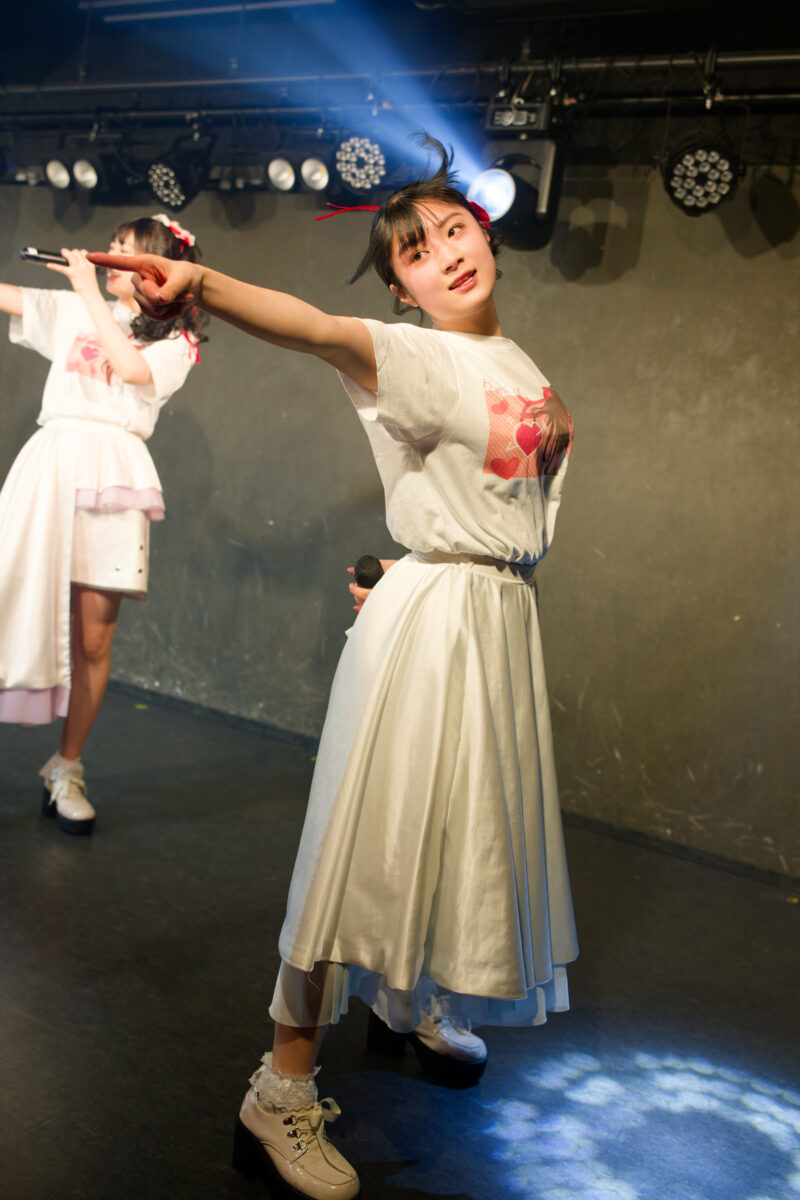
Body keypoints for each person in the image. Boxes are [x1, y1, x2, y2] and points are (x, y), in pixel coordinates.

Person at [92, 139, 578, 1200]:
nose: (446, 253)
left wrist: (429, 555)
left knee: (464, 828)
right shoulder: (410, 352)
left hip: (494, 617)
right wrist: (202, 282)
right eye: (416, 251)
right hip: (434, 626)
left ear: (485, 234)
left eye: (455, 230)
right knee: (362, 845)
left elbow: (493, 501)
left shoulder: (518, 362)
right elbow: (313, 327)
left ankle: (409, 999)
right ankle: (280, 1087)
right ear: (399, 285)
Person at [0, 215, 204, 835]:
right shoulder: (73, 308)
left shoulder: (178, 342)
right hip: (51, 464)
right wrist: (84, 292)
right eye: (110, 247)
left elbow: (134, 372)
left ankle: (66, 768)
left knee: (93, 639)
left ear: (155, 269)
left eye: (125, 251)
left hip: (116, 474)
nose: (108, 256)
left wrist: (89, 290)